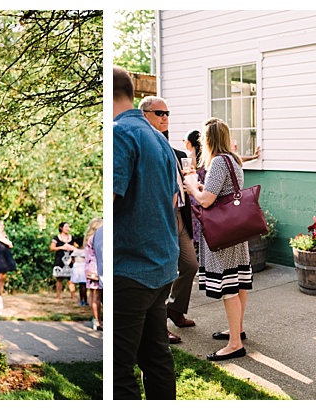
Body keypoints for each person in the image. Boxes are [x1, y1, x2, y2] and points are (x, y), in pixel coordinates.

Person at [111, 65, 179, 400]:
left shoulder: (119, 134)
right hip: (161, 266)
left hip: (131, 270)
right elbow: (172, 201)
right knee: (156, 359)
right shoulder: (159, 139)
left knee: (117, 370)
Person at [181, 117, 252, 361]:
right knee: (239, 283)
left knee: (228, 287)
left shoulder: (219, 162)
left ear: (209, 140)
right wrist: (201, 186)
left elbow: (206, 200)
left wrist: (191, 186)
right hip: (235, 231)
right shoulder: (233, 160)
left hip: (222, 236)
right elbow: (219, 192)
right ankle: (238, 330)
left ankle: (234, 344)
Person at [142, 96, 200, 345]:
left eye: (167, 113)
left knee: (190, 265)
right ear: (145, 114)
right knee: (164, 272)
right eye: (159, 113)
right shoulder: (143, 147)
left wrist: (190, 183)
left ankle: (175, 309)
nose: (165, 117)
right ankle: (158, 326)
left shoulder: (176, 153)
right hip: (158, 218)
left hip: (179, 214)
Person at [49, 222, 80, 301]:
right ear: (61, 228)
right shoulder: (56, 238)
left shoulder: (72, 238)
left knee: (71, 279)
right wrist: (61, 247)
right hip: (60, 259)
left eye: (68, 227)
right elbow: (52, 248)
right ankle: (58, 296)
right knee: (59, 278)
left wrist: (71, 248)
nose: (68, 228)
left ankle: (73, 296)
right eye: (66, 227)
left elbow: (76, 247)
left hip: (70, 260)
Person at [83, 217, 104, 331]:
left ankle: (95, 319)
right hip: (95, 269)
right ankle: (97, 320)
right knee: (97, 296)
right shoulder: (96, 238)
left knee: (93, 295)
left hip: (89, 268)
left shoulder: (88, 239)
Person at [0, 219, 17, 300]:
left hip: (5, 255)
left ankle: (0, 293)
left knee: (4, 275)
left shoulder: (2, 235)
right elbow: (9, 243)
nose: (3, 226)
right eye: (2, 225)